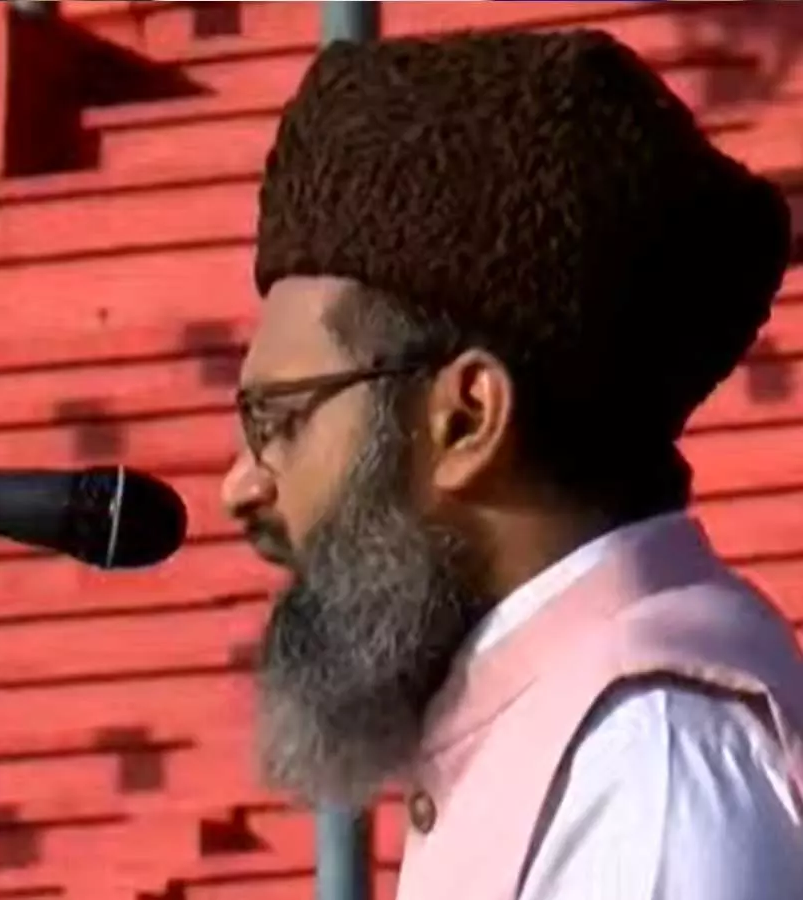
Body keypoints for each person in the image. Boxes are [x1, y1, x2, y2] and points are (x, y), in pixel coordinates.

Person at [221, 28, 803, 900]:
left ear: (466, 418)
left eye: (279, 420)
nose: (240, 486)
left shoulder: (646, 774)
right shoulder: (575, 741)